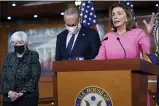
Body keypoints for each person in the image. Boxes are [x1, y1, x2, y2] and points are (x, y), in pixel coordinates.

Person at [2, 31, 41, 106]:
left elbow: (35, 76)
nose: (18, 45)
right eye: (16, 43)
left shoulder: (33, 55)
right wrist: (10, 92)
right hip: (10, 98)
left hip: (27, 97)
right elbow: (3, 77)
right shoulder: (8, 58)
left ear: (25, 43)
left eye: (20, 42)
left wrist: (22, 92)